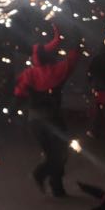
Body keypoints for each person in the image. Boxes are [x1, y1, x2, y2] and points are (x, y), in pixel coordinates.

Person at [14, 24, 80, 197]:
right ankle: (41, 174)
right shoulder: (57, 70)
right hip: (52, 119)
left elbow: (19, 93)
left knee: (52, 153)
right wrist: (75, 39)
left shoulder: (29, 73)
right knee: (60, 153)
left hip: (34, 120)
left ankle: (57, 188)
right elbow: (72, 59)